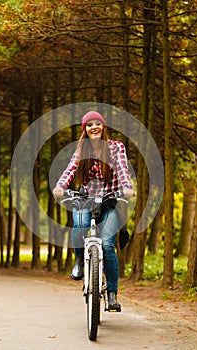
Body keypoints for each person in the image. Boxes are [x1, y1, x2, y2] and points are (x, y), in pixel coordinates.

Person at [53, 111, 134, 309]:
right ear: (85, 130)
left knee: (107, 244)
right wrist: (60, 186)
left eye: (98, 123)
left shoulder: (116, 147)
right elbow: (71, 169)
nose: (94, 127)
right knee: (79, 226)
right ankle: (81, 260)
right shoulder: (82, 150)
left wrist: (127, 187)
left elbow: (123, 170)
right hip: (85, 200)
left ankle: (112, 293)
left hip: (109, 201)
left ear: (104, 127)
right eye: (89, 125)